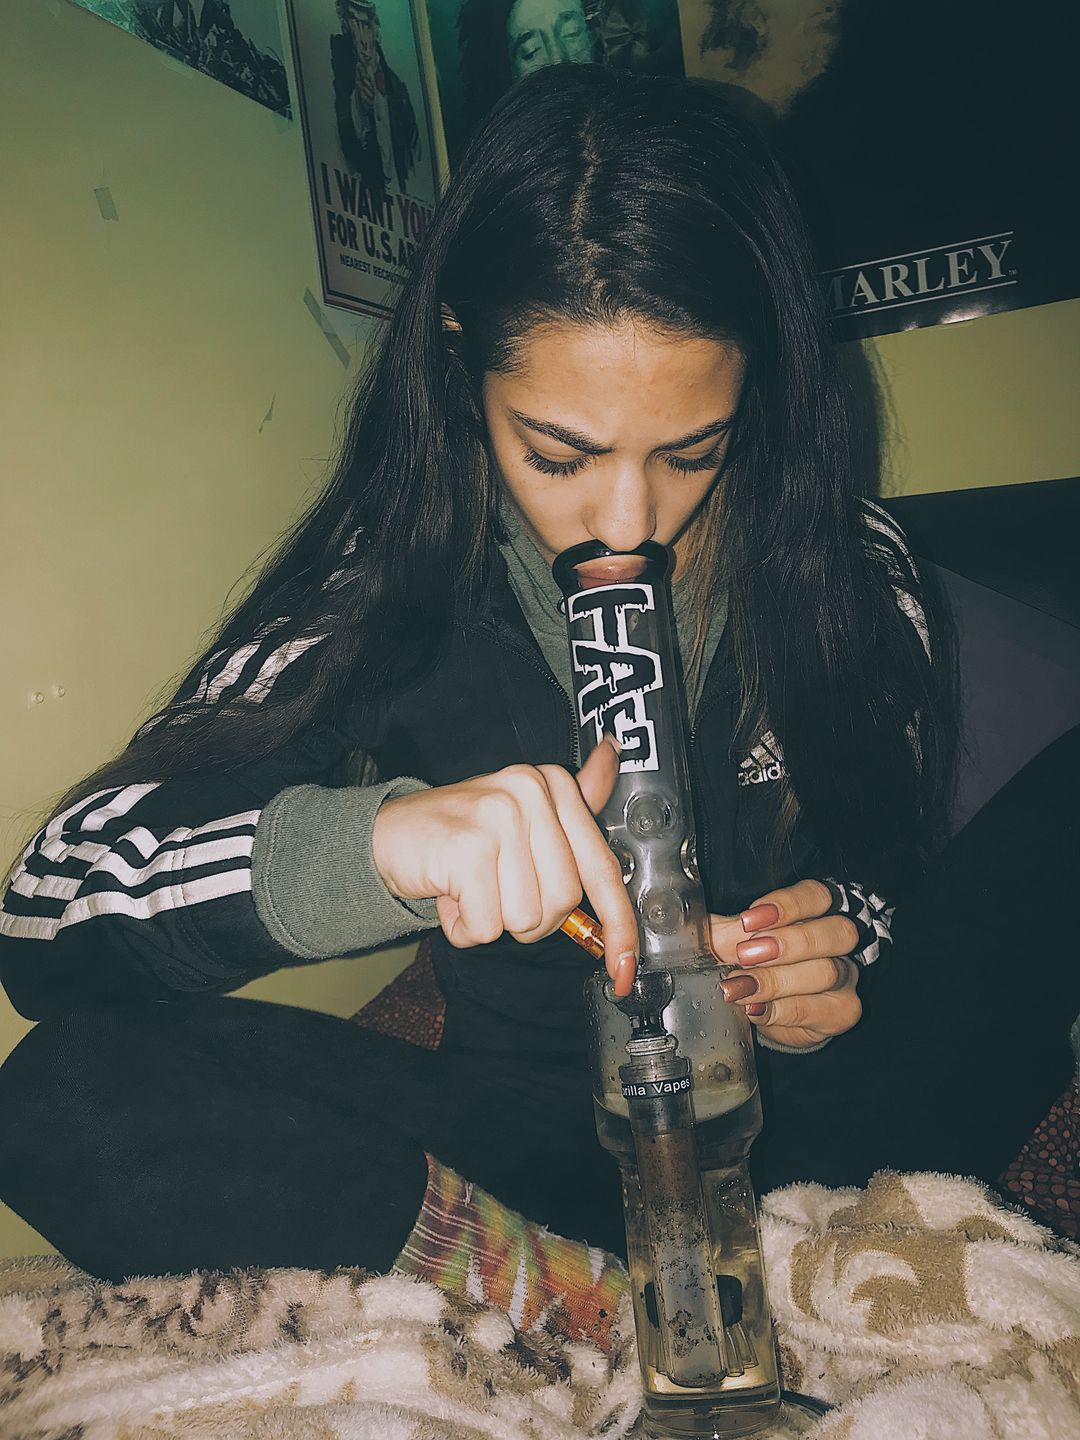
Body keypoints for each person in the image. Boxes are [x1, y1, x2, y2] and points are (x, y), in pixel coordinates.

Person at [0, 67, 1075, 1350]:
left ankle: (604, 1302)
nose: (629, 522)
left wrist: (839, 948)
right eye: (559, 454)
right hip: (539, 1148)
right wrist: (376, 848)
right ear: (460, 357)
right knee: (56, 1095)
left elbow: (887, 859)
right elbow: (44, 918)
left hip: (830, 1125)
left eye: (692, 452)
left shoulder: (851, 564)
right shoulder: (386, 584)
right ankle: (595, 1313)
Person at [331, 0, 421, 205]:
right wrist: (358, 105)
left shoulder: (398, 88)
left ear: (375, 26)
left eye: (365, 24)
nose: (362, 38)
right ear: (346, 24)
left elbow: (414, 151)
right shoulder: (342, 76)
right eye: (354, 22)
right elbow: (346, 145)